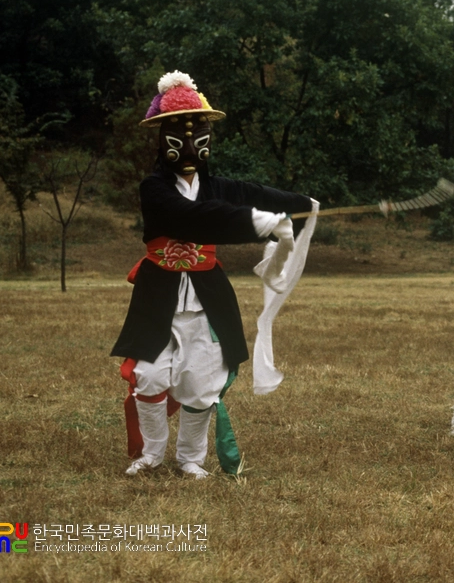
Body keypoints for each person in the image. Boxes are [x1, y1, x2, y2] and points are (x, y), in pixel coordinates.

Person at [111, 71, 314, 479]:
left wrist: (304, 203)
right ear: (163, 139)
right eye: (178, 134)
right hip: (159, 294)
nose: (188, 144)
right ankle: (151, 454)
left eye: (197, 133)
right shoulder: (154, 189)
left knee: (202, 380)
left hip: (205, 294)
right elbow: (191, 218)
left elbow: (255, 192)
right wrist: (254, 222)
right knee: (150, 375)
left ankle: (190, 458)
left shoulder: (217, 185)